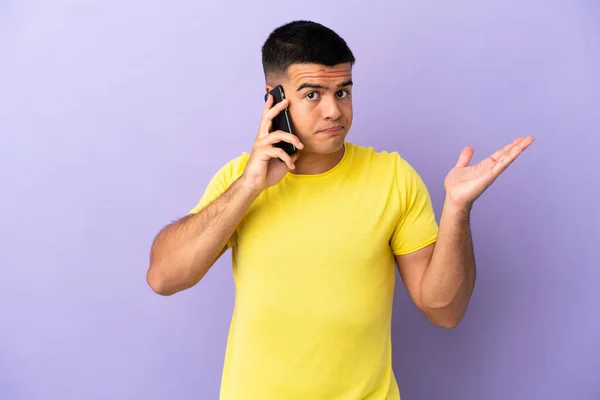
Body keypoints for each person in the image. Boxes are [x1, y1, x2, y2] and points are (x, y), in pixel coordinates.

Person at [146, 20, 534, 400]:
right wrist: (249, 186)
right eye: (312, 94)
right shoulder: (240, 179)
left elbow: (444, 311)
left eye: (343, 92)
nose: (334, 110)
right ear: (274, 99)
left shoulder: (393, 177)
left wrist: (457, 208)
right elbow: (164, 277)